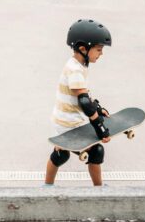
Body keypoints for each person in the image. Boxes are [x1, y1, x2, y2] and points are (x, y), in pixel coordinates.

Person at [45, 19, 112, 186]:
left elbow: (82, 95)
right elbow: (84, 102)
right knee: (97, 151)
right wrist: (100, 127)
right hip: (69, 125)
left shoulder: (77, 65)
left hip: (62, 120)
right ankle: (99, 190)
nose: (101, 53)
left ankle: (46, 187)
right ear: (83, 48)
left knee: (62, 155)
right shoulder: (75, 70)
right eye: (98, 49)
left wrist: (97, 107)